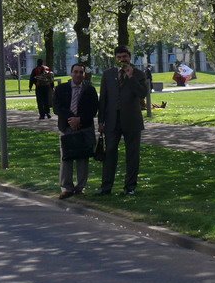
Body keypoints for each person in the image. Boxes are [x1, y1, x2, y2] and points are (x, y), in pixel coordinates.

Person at [97, 45, 148, 196]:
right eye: (119, 57)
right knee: (110, 153)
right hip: (112, 121)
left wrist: (131, 77)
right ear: (115, 58)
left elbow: (142, 93)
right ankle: (106, 187)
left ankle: (130, 187)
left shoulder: (138, 74)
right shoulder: (108, 74)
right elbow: (104, 99)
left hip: (132, 120)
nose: (122, 60)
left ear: (129, 58)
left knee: (132, 155)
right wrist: (100, 121)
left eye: (124, 57)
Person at [53, 63, 99, 198]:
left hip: (84, 128)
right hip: (66, 127)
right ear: (71, 73)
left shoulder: (89, 90)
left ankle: (80, 187)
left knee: (83, 158)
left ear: (84, 74)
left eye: (81, 72)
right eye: (76, 72)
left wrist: (80, 120)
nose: (78, 74)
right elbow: (57, 107)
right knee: (66, 157)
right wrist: (71, 119)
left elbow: (93, 109)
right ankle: (66, 187)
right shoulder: (61, 89)